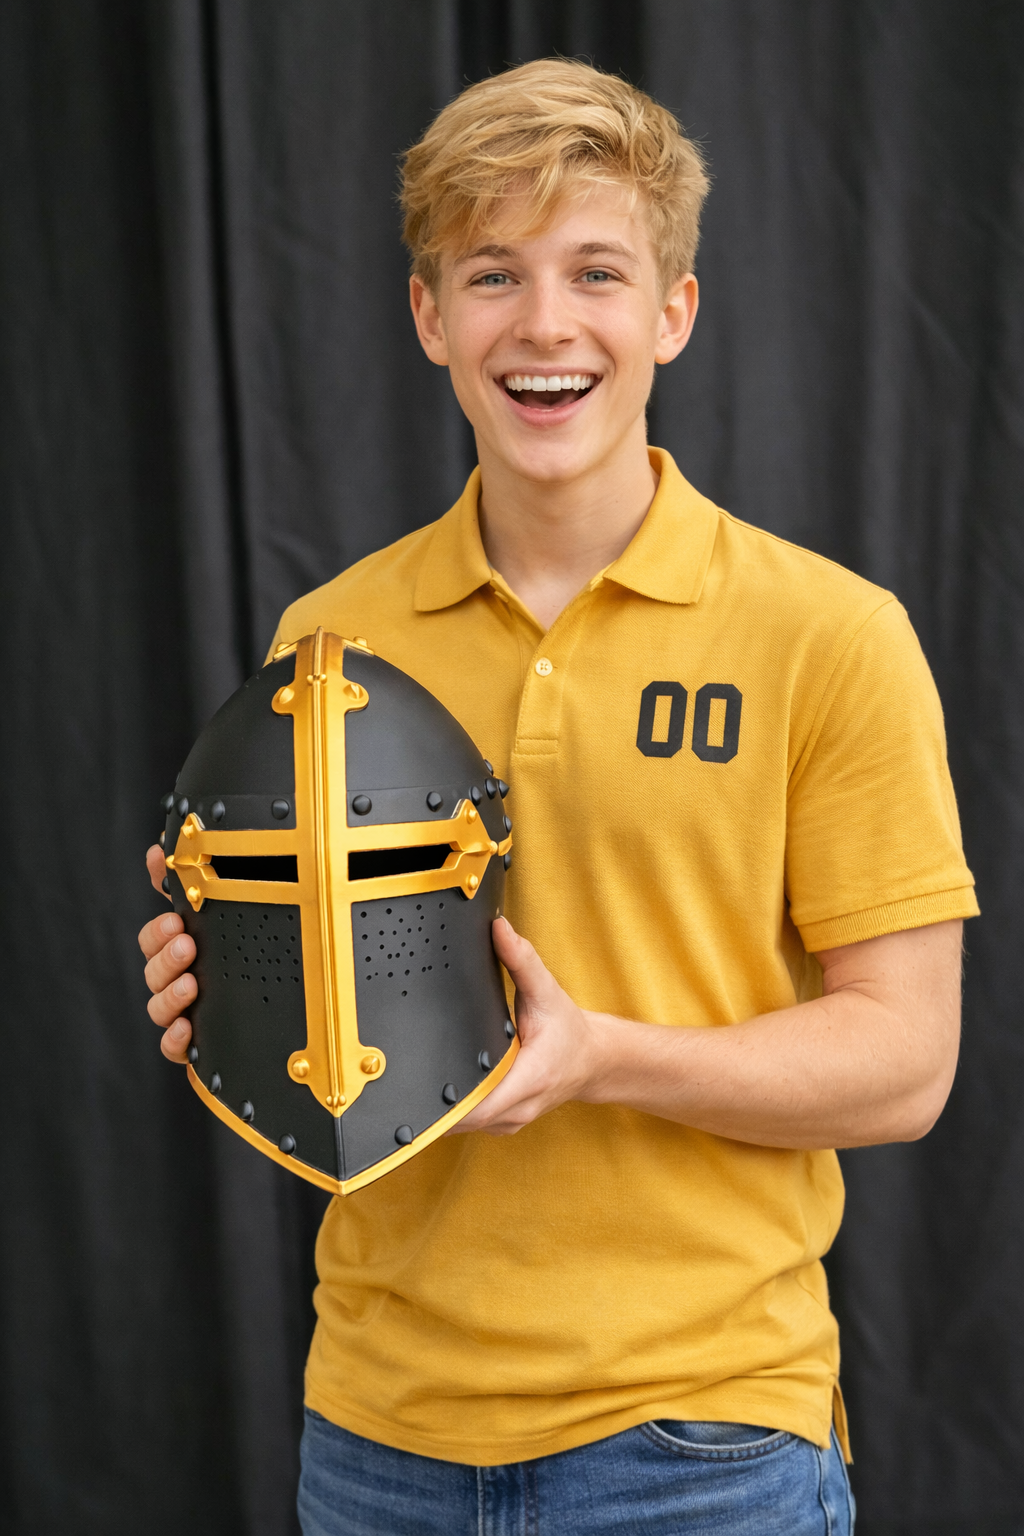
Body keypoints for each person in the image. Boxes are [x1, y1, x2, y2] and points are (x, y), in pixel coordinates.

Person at [138, 59, 977, 1535]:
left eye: (597, 270)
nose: (543, 325)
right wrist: (226, 997)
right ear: (428, 319)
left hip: (706, 1447)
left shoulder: (830, 634)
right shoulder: (328, 645)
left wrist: (598, 1059)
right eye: (490, 274)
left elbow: (905, 1066)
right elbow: (330, 1048)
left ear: (673, 313)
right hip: (377, 1437)